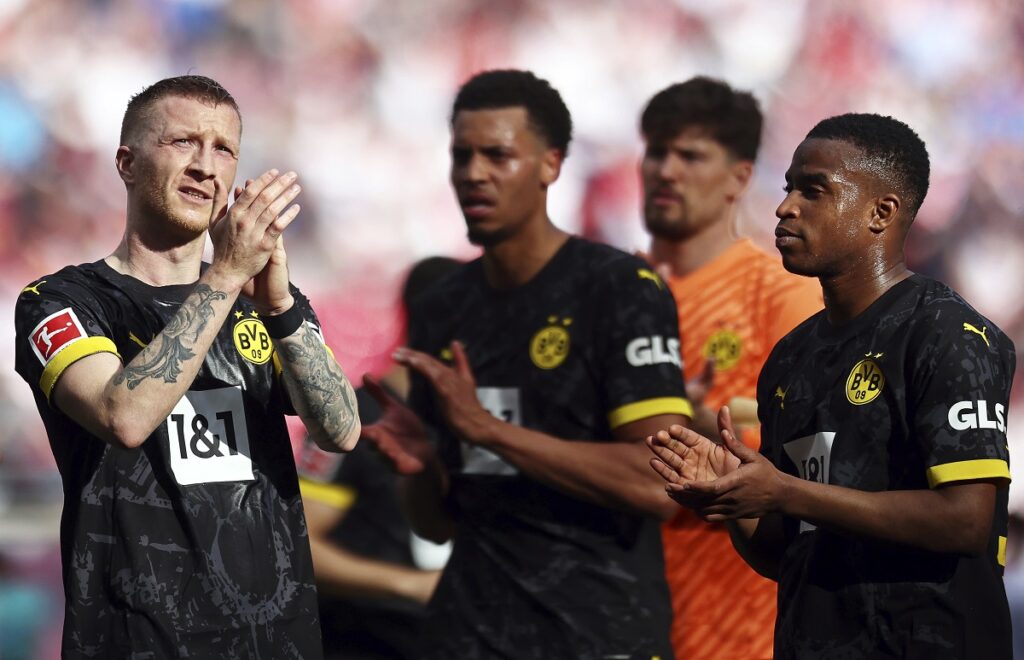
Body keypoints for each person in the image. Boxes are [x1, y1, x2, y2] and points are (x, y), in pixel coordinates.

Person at [13, 75, 360, 659]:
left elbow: (342, 429)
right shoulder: (62, 301)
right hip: (136, 639)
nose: (206, 165)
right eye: (182, 143)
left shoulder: (266, 303)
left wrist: (277, 307)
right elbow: (122, 416)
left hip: (277, 640)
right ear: (126, 162)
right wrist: (224, 275)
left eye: (223, 149)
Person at [648, 113, 1015, 659]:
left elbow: (964, 520)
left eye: (813, 190)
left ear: (881, 212)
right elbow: (788, 552)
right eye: (788, 187)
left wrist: (786, 492)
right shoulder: (792, 357)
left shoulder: (944, 335)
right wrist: (734, 499)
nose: (784, 207)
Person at [360, 69, 691, 659]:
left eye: (498, 155)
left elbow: (661, 481)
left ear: (551, 165)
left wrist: (492, 432)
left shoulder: (618, 287)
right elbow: (436, 525)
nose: (473, 174)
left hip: (599, 631)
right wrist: (420, 465)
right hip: (468, 633)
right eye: (461, 156)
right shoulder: (443, 305)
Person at [638, 77, 821, 659]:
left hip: (739, 632)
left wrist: (695, 425)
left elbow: (817, 461)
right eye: (656, 150)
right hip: (612, 620)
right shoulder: (609, 294)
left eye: (690, 155)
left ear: (740, 177)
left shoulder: (779, 294)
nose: (666, 170)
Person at [297, 256, 460, 660]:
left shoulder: (478, 417)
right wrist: (412, 585)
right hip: (366, 638)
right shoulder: (353, 414)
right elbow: (299, 543)